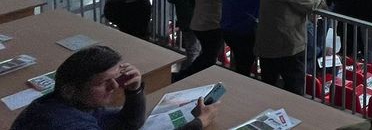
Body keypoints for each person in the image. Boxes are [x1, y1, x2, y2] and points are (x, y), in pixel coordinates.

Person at [13, 45, 219, 130]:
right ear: (70, 89)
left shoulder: (75, 103)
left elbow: (129, 123)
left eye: (117, 78)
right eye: (104, 82)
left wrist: (134, 90)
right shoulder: (67, 123)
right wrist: (199, 123)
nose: (115, 87)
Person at [256, 0, 327, 94]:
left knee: (268, 87)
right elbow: (309, 7)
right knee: (295, 87)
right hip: (287, 45)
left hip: (267, 43)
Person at [168, 0, 200, 73]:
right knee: (194, 50)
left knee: (190, 48)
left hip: (184, 23)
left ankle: (185, 68)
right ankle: (189, 72)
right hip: (194, 24)